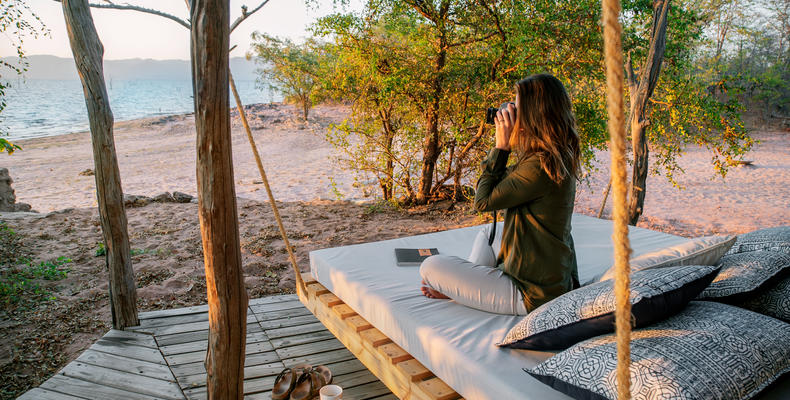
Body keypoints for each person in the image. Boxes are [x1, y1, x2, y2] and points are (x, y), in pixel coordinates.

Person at [419, 73, 581, 315]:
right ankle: (465, 288)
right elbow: (504, 189)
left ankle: (463, 288)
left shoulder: (539, 166)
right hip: (550, 275)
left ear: (535, 114)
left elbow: (483, 201)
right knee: (488, 234)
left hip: (530, 292)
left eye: (517, 106)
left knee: (431, 265)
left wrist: (501, 146)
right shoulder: (553, 154)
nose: (511, 112)